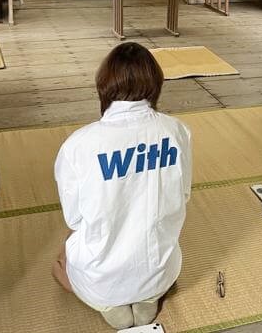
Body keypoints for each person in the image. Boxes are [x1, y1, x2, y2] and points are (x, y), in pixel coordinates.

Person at [53, 42, 192, 329]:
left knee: (60, 264)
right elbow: (184, 194)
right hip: (158, 269)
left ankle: (110, 304)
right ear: (156, 83)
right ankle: (148, 296)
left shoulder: (79, 144)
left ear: (104, 84)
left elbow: (75, 218)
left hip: (102, 279)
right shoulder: (176, 130)